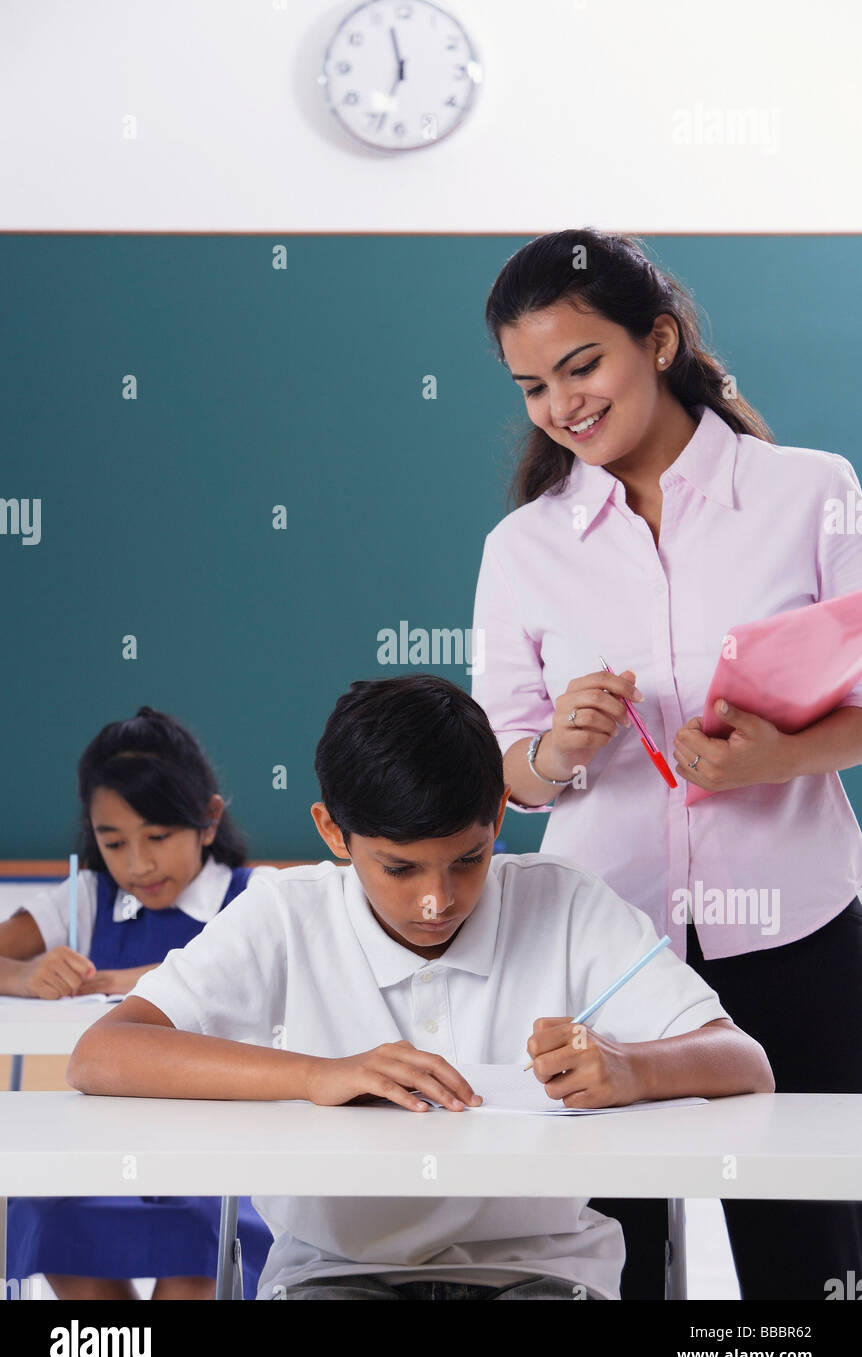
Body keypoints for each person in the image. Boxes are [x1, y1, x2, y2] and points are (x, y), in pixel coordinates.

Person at [67, 675, 773, 1301]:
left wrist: (630, 1067)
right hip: (334, 1273)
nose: (437, 901)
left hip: (542, 1272)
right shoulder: (284, 913)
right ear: (333, 833)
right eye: (400, 870)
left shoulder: (567, 904)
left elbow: (744, 1060)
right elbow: (102, 1054)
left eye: (467, 861)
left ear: (499, 816)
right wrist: (320, 1075)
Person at [470, 226, 862, 1299]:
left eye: (581, 364)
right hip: (604, 950)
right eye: (532, 384)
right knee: (609, 1262)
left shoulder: (810, 491)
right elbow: (503, 770)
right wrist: (554, 751)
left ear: (660, 340)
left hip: (799, 937)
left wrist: (776, 757)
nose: (561, 404)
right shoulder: (524, 547)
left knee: (810, 1261)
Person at [0, 705, 277, 1300]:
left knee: (202, 1242)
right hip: (99, 1142)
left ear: (207, 819)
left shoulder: (255, 898)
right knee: (46, 1209)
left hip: (220, 1150)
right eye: (113, 842)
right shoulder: (86, 898)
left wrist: (140, 979)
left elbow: (270, 983)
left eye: (157, 837)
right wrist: (23, 976)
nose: (138, 864)